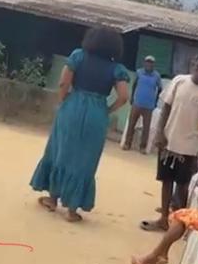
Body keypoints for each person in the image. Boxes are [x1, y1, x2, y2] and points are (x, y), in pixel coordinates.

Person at [30, 27, 130, 222]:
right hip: (97, 112)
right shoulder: (117, 69)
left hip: (73, 106)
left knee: (60, 150)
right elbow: (124, 97)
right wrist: (107, 110)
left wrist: (63, 101)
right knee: (85, 159)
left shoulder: (78, 56)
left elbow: (63, 83)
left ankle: (52, 199)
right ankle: (72, 209)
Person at [140, 52, 198, 232]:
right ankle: (163, 219)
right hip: (169, 142)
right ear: (193, 65)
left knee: (183, 185)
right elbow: (166, 108)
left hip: (189, 148)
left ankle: (179, 222)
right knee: (166, 180)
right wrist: (159, 133)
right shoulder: (179, 81)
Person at [122, 55, 163, 154]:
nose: (149, 64)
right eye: (147, 62)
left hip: (149, 106)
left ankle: (143, 147)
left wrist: (155, 101)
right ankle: (127, 144)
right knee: (131, 124)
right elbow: (134, 85)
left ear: (153, 65)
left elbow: (160, 89)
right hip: (137, 103)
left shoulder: (156, 76)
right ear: (144, 63)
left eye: (151, 63)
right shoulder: (139, 72)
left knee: (146, 127)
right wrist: (132, 98)